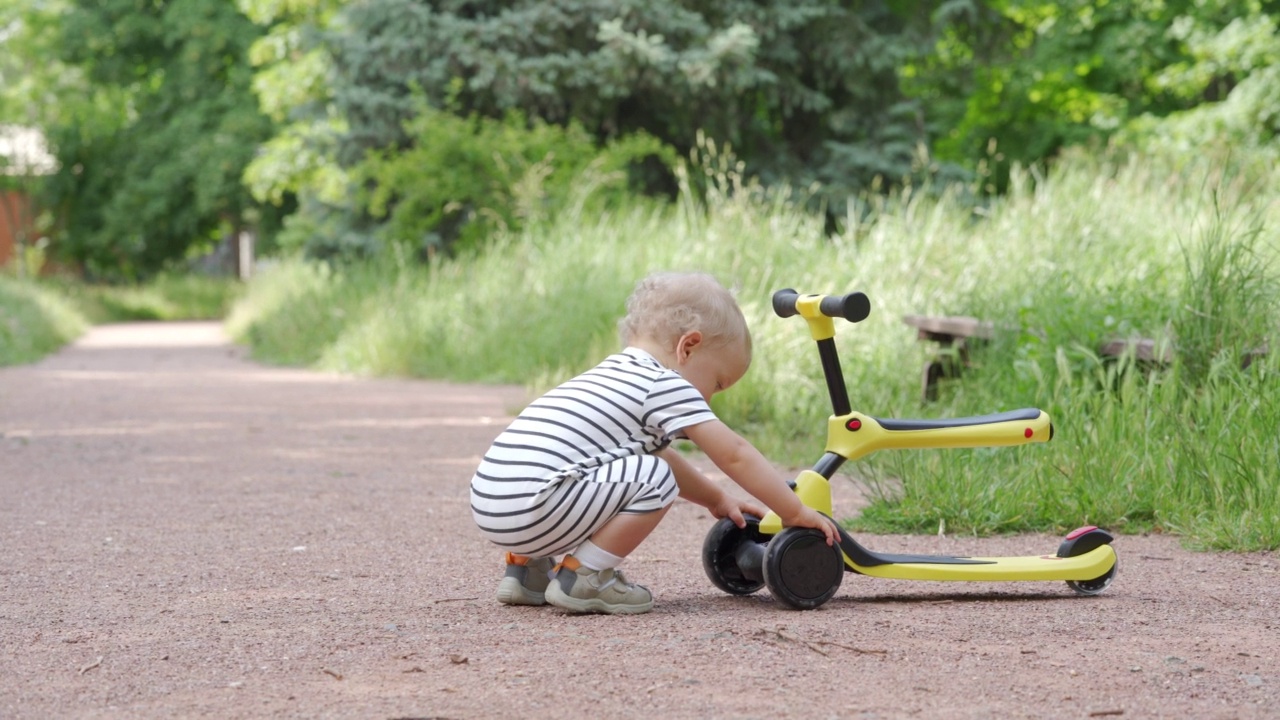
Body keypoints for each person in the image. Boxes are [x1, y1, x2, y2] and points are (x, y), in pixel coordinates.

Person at [469, 271, 840, 615]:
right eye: (717, 384)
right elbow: (735, 455)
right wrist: (793, 512)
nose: (709, 401)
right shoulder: (665, 383)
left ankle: (525, 573)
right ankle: (584, 578)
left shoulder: (610, 375)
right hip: (539, 508)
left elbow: (657, 452)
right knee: (653, 477)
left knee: (611, 465)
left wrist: (716, 500)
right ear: (689, 347)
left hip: (492, 504)